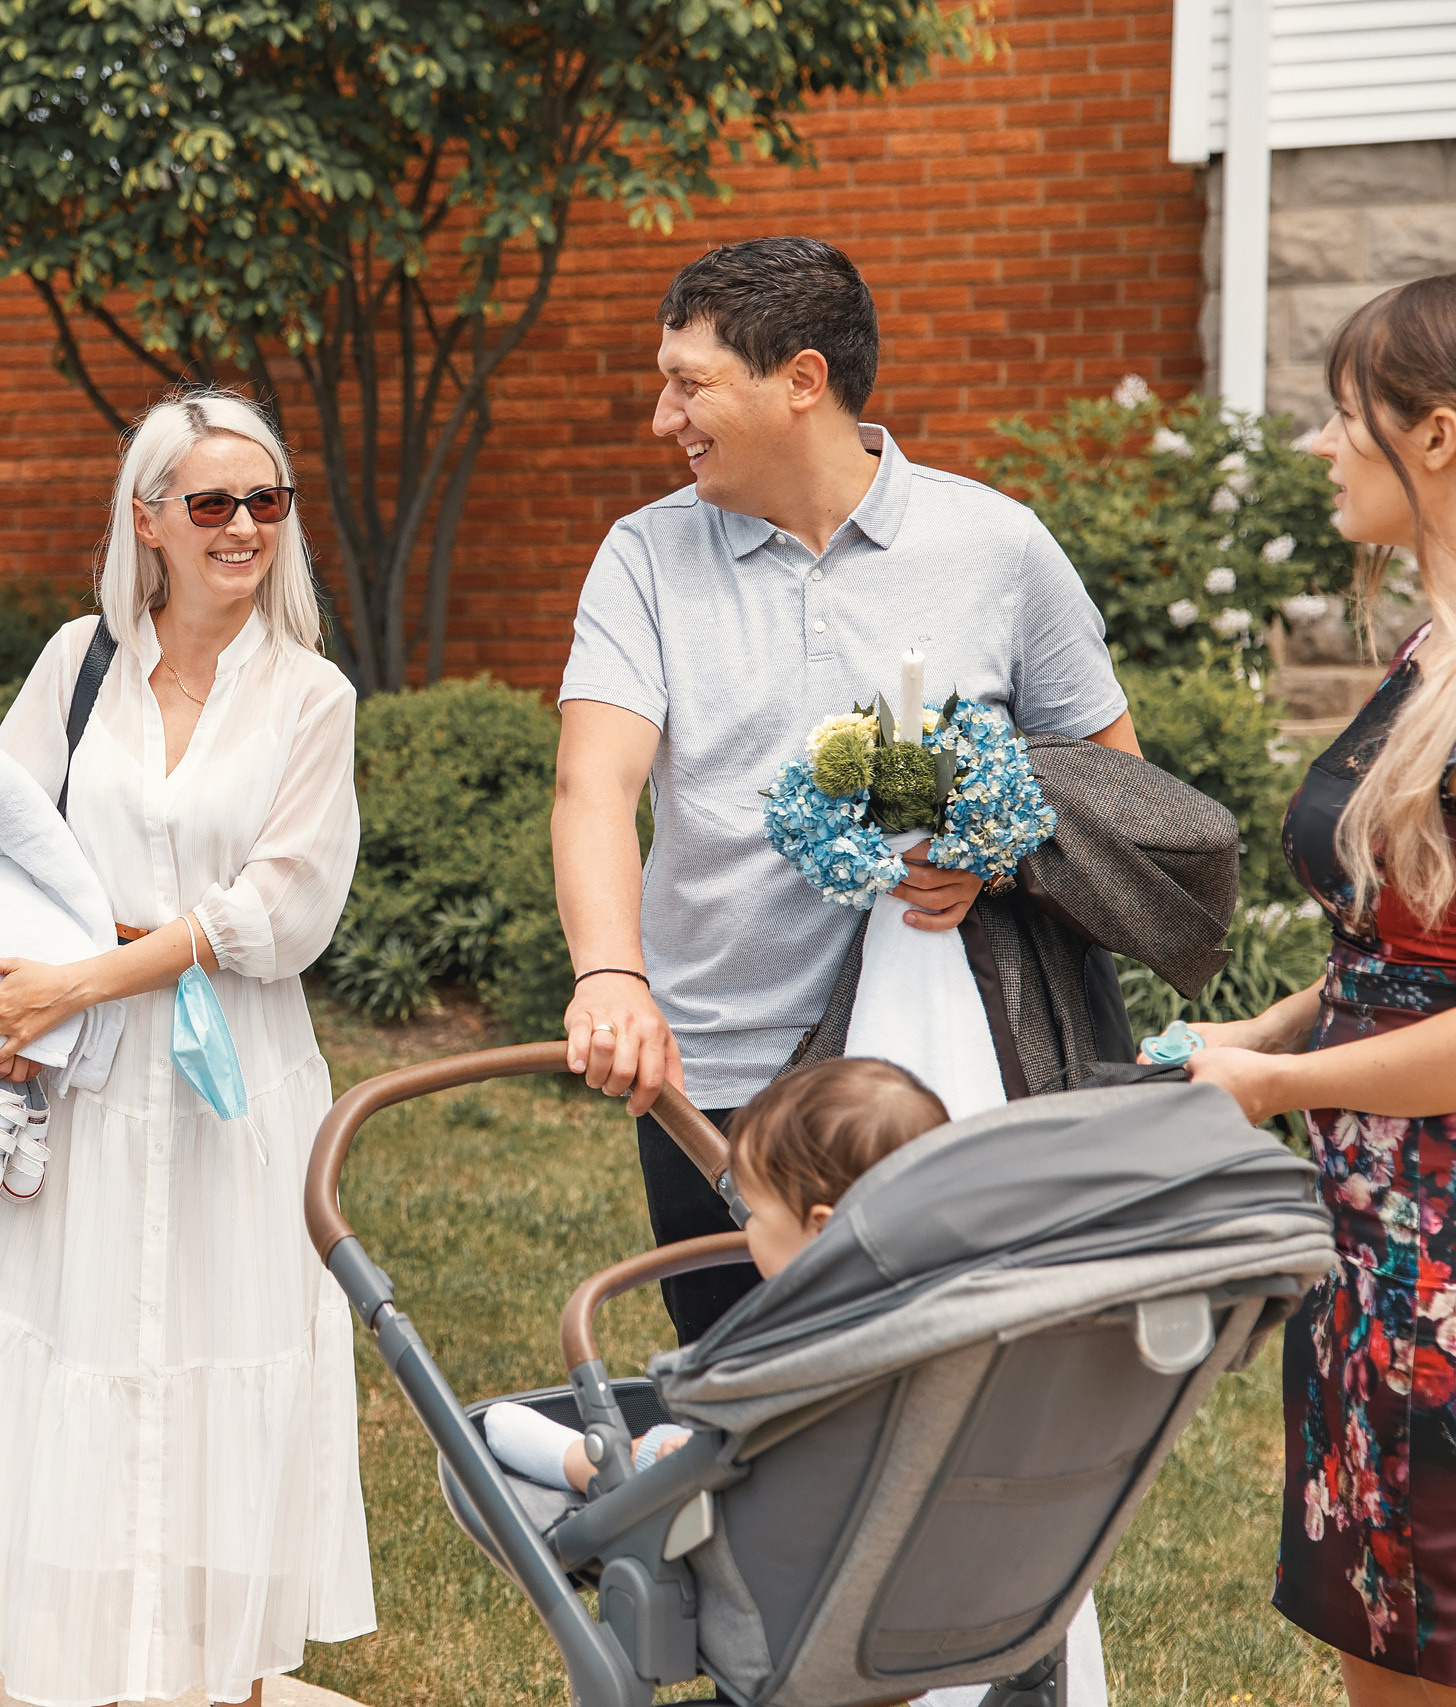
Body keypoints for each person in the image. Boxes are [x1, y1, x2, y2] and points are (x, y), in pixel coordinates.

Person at [550, 236, 1139, 1344]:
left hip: (936, 1063)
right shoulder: (642, 556)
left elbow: (1120, 788)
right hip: (716, 1062)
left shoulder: (997, 547)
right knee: (744, 1389)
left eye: (689, 384)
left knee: (952, 1395)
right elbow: (594, 785)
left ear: (801, 382)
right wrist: (612, 977)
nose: (661, 417)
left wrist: (995, 854)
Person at [0, 391, 375, 1705]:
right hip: (91, 1087)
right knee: (94, 1366)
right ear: (148, 517)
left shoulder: (311, 695)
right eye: (214, 502)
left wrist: (92, 965)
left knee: (227, 1373)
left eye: (268, 500)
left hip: (236, 1090)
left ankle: (222, 1681)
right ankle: (98, 1678)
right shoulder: (78, 661)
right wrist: (32, 979)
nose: (245, 526)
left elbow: (280, 910)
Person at [1184, 274, 1456, 1703]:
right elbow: (1401, 943)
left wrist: (1279, 1085)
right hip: (1375, 1251)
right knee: (1384, 1640)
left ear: (1439, 438)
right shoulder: (1426, 653)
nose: (1320, 444)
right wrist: (1263, 1027)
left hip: (1446, 1272)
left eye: (1345, 414)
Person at [484, 1056, 946, 1492]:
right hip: (908, 1523)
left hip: (773, 1514)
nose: (745, 1226)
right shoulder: (952, 1319)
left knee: (665, 1449)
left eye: (757, 1214)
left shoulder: (792, 1353)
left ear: (822, 1229)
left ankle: (580, 1463)